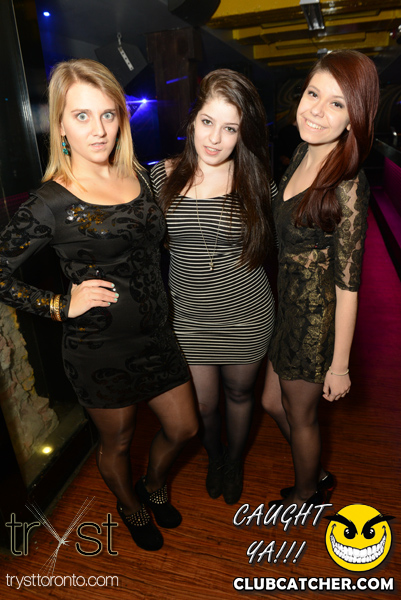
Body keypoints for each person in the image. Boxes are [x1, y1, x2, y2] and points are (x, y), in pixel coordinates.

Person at [0, 59, 198, 551]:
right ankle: (130, 505)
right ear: (60, 125)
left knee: (184, 427)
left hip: (157, 337)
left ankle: (154, 484)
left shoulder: (136, 176)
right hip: (98, 348)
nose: (99, 129)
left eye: (108, 114)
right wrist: (58, 304)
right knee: (119, 441)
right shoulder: (50, 201)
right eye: (82, 115)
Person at [151, 69, 276, 505]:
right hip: (188, 319)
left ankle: (234, 461)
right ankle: (214, 456)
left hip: (246, 316)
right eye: (207, 122)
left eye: (230, 128)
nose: (216, 138)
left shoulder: (257, 183)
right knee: (203, 406)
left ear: (243, 134)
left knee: (240, 395)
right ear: (192, 120)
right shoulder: (160, 178)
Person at [261, 50, 380, 508]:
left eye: (337, 103)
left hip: (316, 321)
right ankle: (315, 471)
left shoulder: (348, 184)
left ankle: (306, 494)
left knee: (301, 415)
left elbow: (349, 286)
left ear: (354, 119)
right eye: (313, 94)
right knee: (273, 403)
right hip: (287, 307)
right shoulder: (299, 156)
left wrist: (340, 365)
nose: (316, 110)